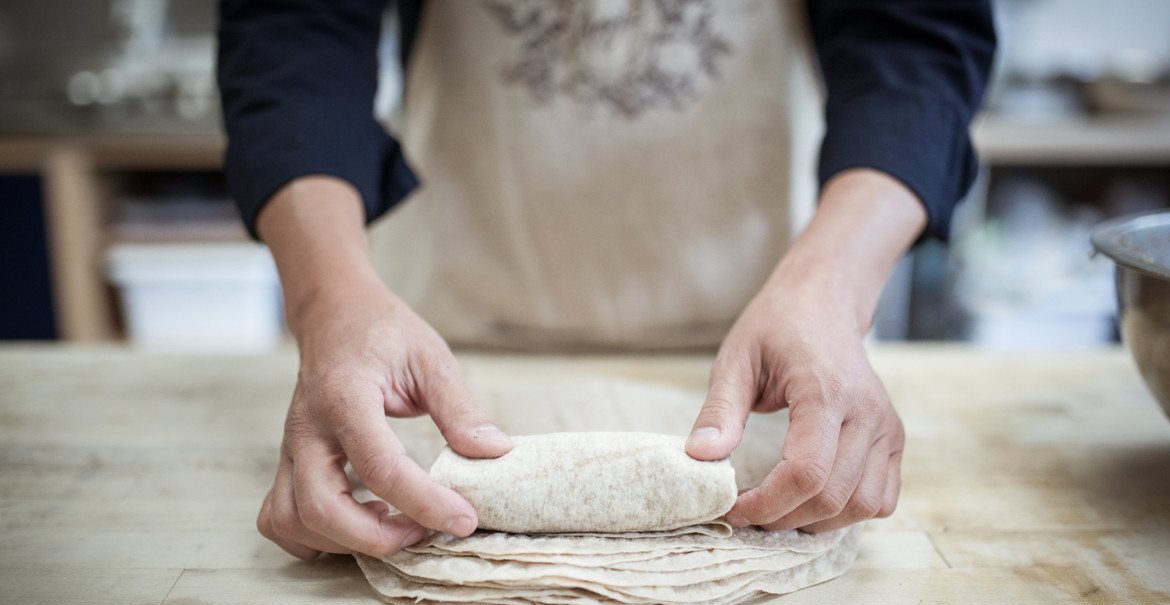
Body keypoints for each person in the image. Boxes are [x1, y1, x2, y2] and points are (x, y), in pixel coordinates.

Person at [218, 0, 995, 560]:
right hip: (436, 351)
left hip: (765, 355)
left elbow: (916, 38)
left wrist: (830, 292)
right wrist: (331, 301)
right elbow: (292, 29)